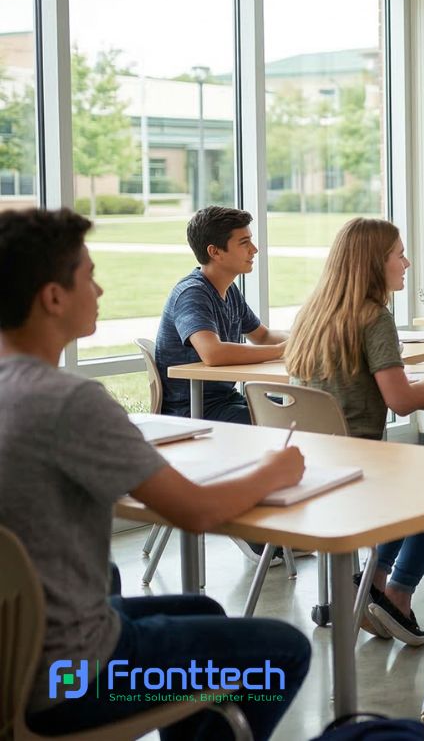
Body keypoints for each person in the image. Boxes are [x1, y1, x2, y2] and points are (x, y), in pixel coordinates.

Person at [0, 208, 311, 739]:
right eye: (89, 276)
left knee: (205, 608)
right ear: (53, 297)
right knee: (284, 650)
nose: (99, 290)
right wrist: (273, 470)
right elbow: (197, 511)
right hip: (70, 678)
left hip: (16, 661)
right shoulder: (69, 401)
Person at [284, 218, 424, 646]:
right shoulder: (374, 318)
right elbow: (401, 401)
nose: (407, 262)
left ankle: (374, 582)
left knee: (419, 476)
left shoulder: (310, 314)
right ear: (373, 264)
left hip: (310, 467)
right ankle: (395, 593)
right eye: (398, 254)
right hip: (359, 467)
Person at [155, 206, 287, 424]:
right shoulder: (192, 293)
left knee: (309, 411)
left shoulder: (229, 290)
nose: (254, 249)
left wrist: (306, 339)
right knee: (296, 419)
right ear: (215, 252)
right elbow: (213, 353)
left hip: (226, 402)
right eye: (244, 243)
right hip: (195, 413)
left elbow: (262, 336)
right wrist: (278, 351)